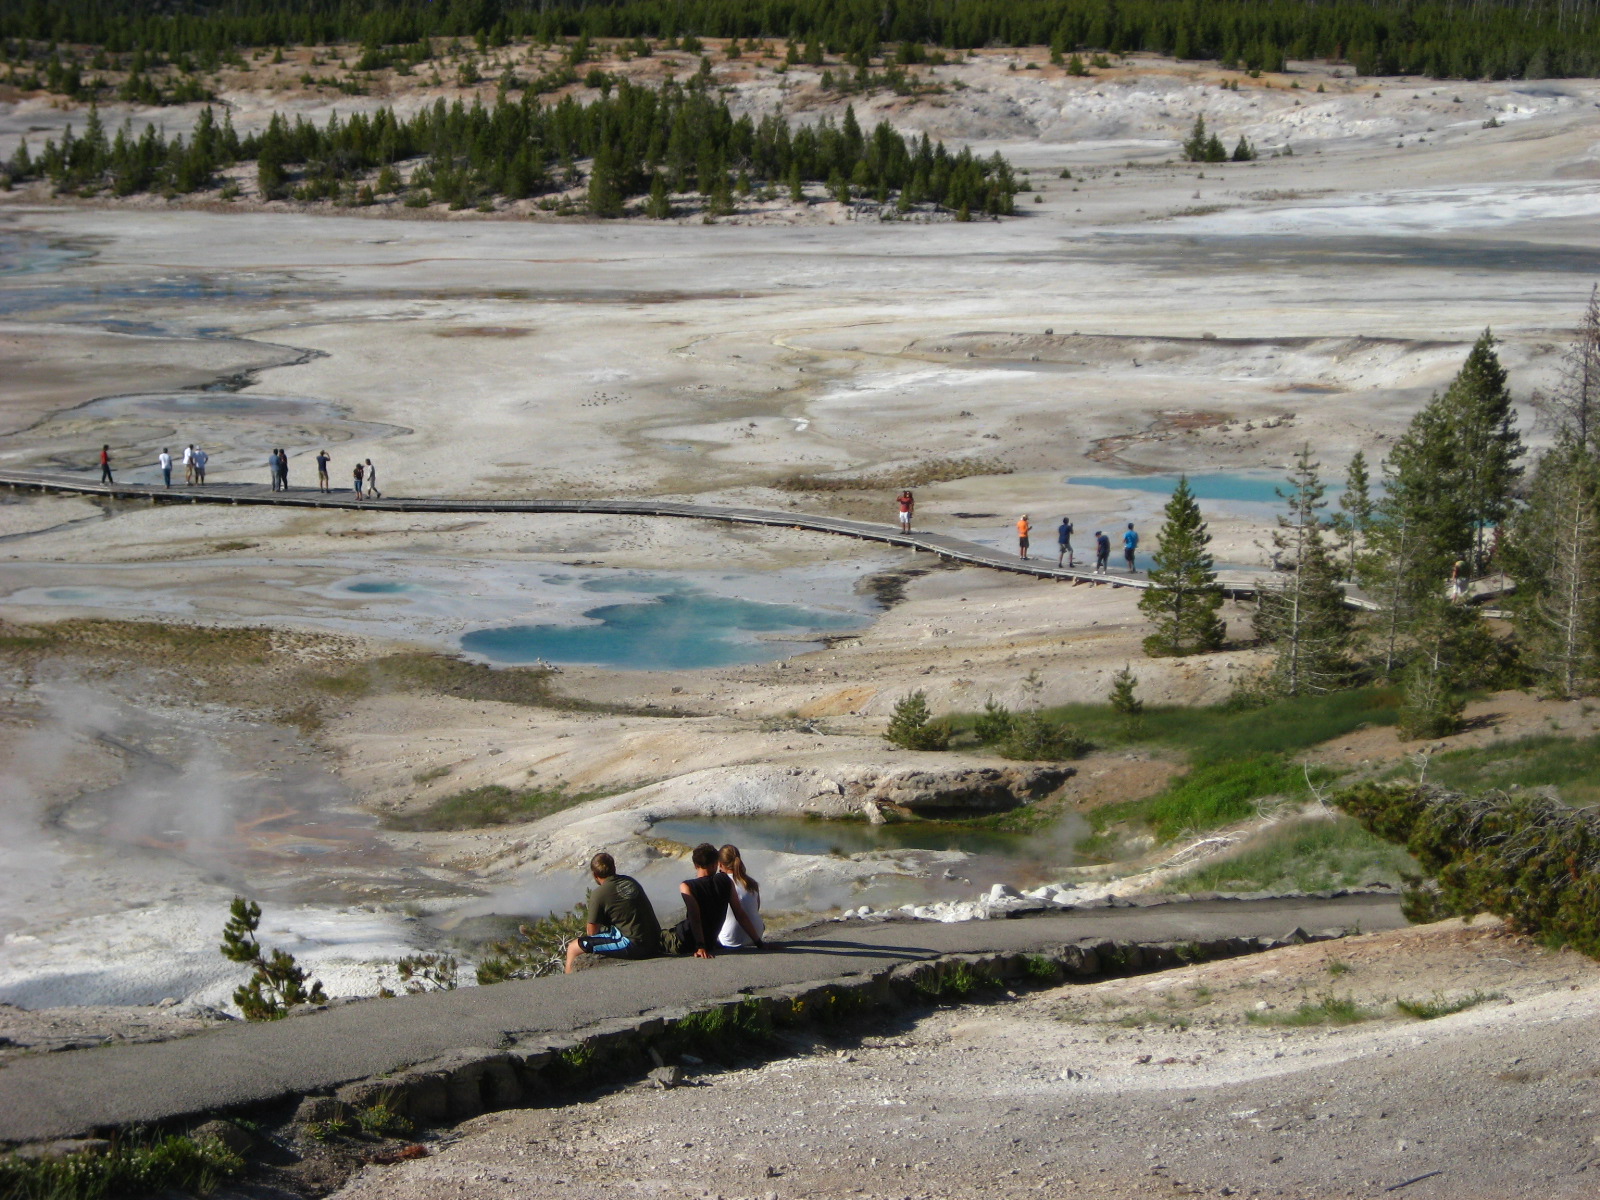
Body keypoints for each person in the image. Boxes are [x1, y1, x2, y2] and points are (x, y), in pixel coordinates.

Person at [564, 852, 662, 973]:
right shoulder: (630, 881)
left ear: (595, 875)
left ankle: (569, 985)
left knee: (573, 947)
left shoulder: (599, 894)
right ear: (614, 868)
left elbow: (592, 932)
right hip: (656, 940)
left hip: (636, 945)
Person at [671, 843, 764, 958]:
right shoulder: (727, 881)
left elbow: (695, 918)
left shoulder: (687, 886)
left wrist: (701, 946)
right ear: (716, 864)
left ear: (695, 865)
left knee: (659, 937)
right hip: (717, 941)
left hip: (687, 940)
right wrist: (759, 943)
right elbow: (740, 913)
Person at [717, 844, 764, 949]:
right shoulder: (752, 883)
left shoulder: (721, 883)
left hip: (731, 940)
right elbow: (756, 908)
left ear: (719, 864)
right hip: (757, 935)